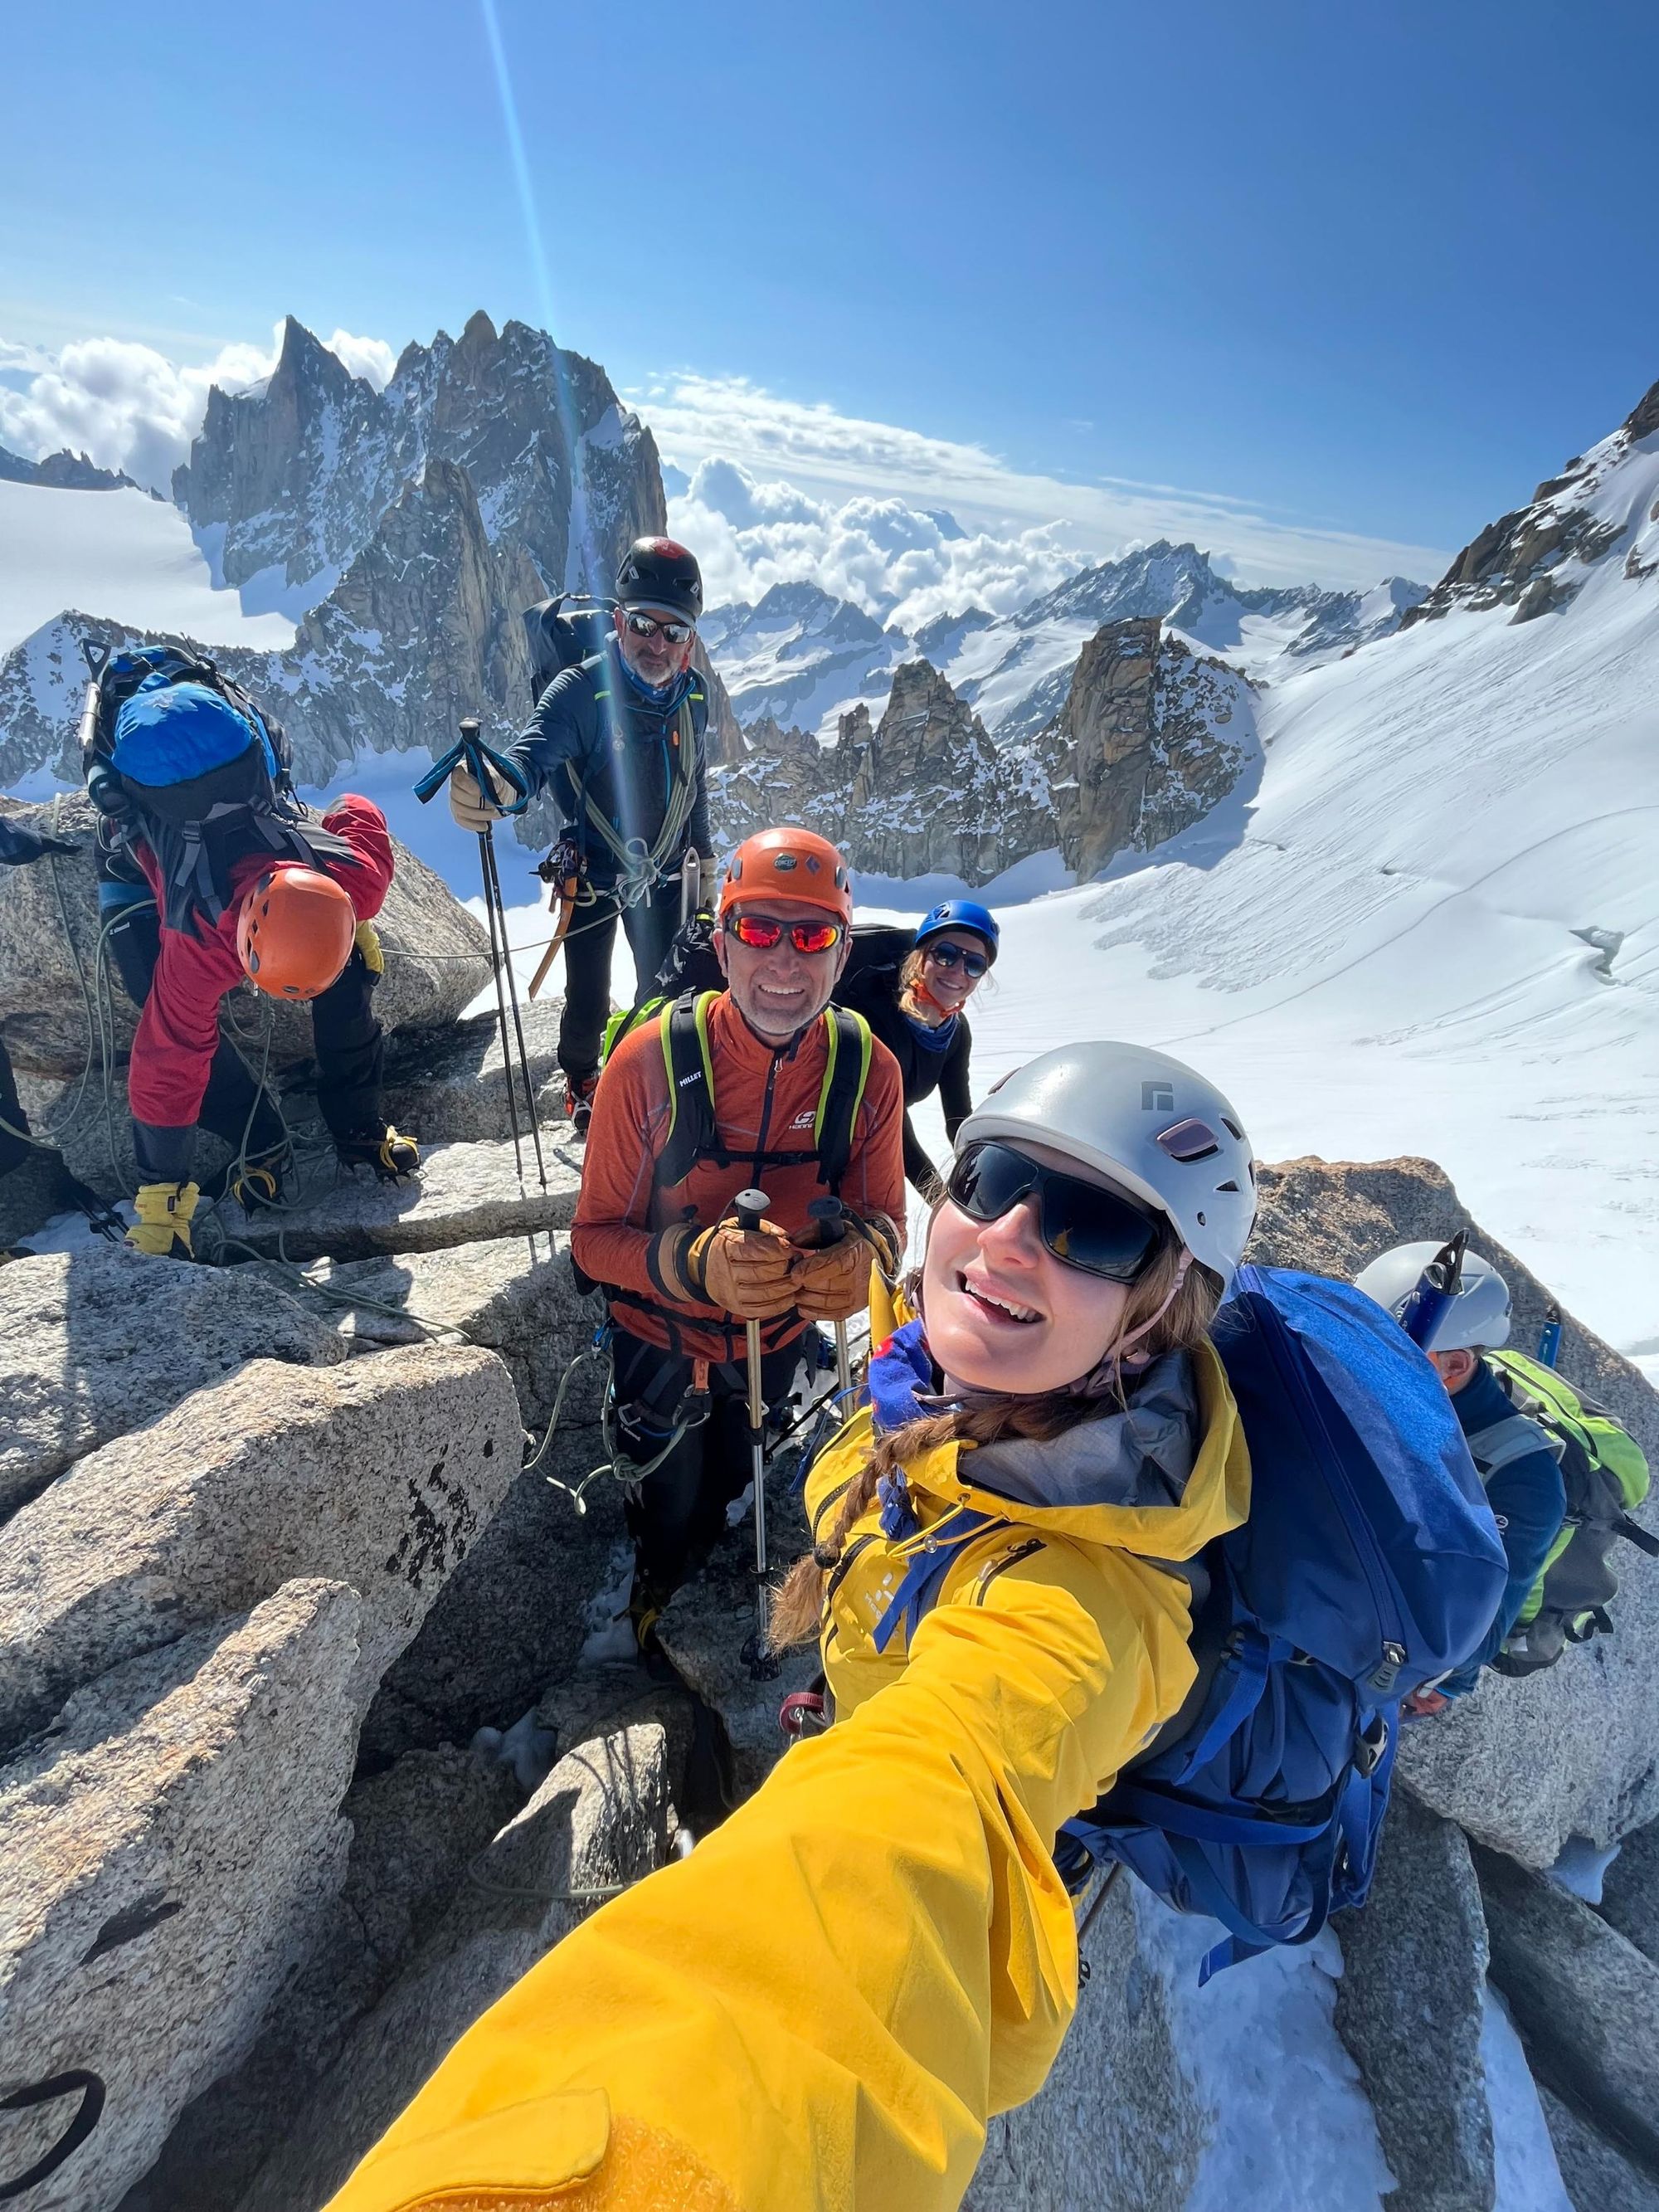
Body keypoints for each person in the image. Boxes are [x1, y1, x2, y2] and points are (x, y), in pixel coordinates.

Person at [322, 1040, 1257, 2212]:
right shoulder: (946, 1379)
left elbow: (915, 1813)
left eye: (1097, 1227)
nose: (1012, 1234)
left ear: (1165, 1312)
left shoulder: (1079, 1612)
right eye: (993, 1179)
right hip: (876, 1683)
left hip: (953, 1778)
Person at [571, 824, 907, 1648]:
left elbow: (886, 1221)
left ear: (840, 952)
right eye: (757, 929)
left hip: (777, 1337)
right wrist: (693, 1263)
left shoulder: (868, 1073)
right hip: (658, 1339)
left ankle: (694, 1565)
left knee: (730, 1473)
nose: (783, 962)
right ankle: (655, 1581)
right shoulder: (647, 1061)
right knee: (668, 1494)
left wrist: (860, 1260)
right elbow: (592, 1241)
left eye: (811, 935)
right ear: (720, 945)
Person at [85, 665, 416, 1257]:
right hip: (138, 870)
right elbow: (168, 1068)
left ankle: (356, 1127)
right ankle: (255, 1141)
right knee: (163, 1009)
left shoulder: (354, 884)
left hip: (237, 825)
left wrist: (350, 925)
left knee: (350, 978)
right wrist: (161, 1195)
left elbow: (355, 806)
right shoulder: (199, 944)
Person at [448, 536, 713, 1133]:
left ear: (689, 643)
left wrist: (707, 854)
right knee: (588, 998)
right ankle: (582, 1078)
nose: (657, 644)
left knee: (664, 990)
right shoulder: (580, 690)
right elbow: (532, 755)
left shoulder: (695, 696)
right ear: (619, 621)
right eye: (644, 624)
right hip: (595, 871)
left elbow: (694, 781)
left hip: (669, 874)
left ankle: (647, 1080)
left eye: (674, 632)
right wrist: (497, 786)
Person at [1355, 1240, 1566, 1703]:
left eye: (1394, 1350)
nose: (1363, 1360)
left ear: (1454, 1365)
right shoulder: (1393, 1399)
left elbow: (1474, 1638)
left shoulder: (1524, 1480)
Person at [836, 897, 997, 1196]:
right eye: (946, 955)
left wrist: (984, 1185)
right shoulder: (875, 1018)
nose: (958, 971)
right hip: (829, 1141)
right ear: (921, 956)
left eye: (974, 964)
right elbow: (895, 1125)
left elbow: (958, 1118)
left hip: (870, 1141)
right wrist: (938, 1197)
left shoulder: (956, 1033)